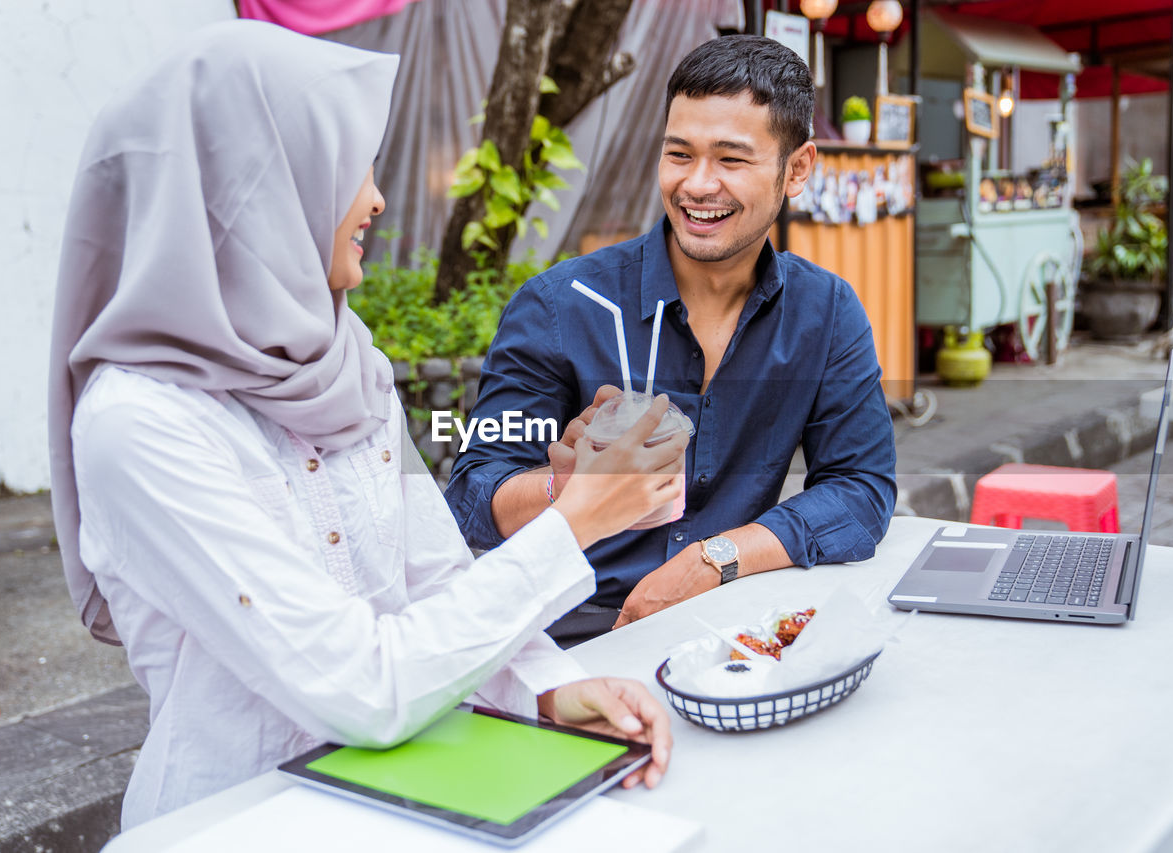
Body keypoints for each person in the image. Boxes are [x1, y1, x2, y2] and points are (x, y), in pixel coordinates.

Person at [47, 20, 683, 829]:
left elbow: (436, 582)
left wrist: (549, 687)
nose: (378, 197)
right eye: (349, 166)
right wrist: (576, 520)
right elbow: (362, 685)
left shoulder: (345, 360)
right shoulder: (138, 426)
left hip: (420, 794)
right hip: (242, 819)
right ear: (253, 186)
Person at [446, 35, 897, 646]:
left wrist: (714, 559)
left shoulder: (826, 311)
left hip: (730, 627)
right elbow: (473, 492)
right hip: (573, 636)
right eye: (679, 154)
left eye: (731, 160)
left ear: (797, 169)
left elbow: (860, 489)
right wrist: (568, 490)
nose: (697, 185)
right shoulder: (560, 306)